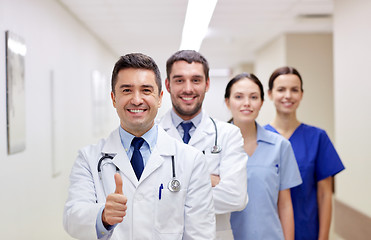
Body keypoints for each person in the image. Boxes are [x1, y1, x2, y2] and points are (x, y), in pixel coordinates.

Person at [63, 53, 216, 240]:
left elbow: (200, 234)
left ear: (159, 98)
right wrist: (103, 216)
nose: (136, 100)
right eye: (127, 90)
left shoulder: (191, 160)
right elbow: (72, 218)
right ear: (113, 98)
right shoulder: (89, 158)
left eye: (146, 90)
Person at [158, 50, 248, 239]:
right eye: (179, 80)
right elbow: (143, 198)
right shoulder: (151, 134)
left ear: (207, 84)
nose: (188, 88)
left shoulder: (228, 134)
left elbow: (236, 197)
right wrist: (205, 181)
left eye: (196, 80)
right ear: (167, 85)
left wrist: (170, 189)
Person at [265, 66, 345, 240]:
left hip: (307, 231)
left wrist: (323, 238)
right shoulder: (259, 139)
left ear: (301, 94)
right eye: (281, 89)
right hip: (268, 232)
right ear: (270, 94)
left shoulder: (318, 138)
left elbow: (325, 195)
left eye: (294, 90)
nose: (288, 95)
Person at [224, 73, 302, 240]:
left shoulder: (280, 146)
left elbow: (285, 204)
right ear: (227, 102)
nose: (247, 103)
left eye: (253, 97)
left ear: (261, 102)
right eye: (238, 97)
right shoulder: (214, 147)